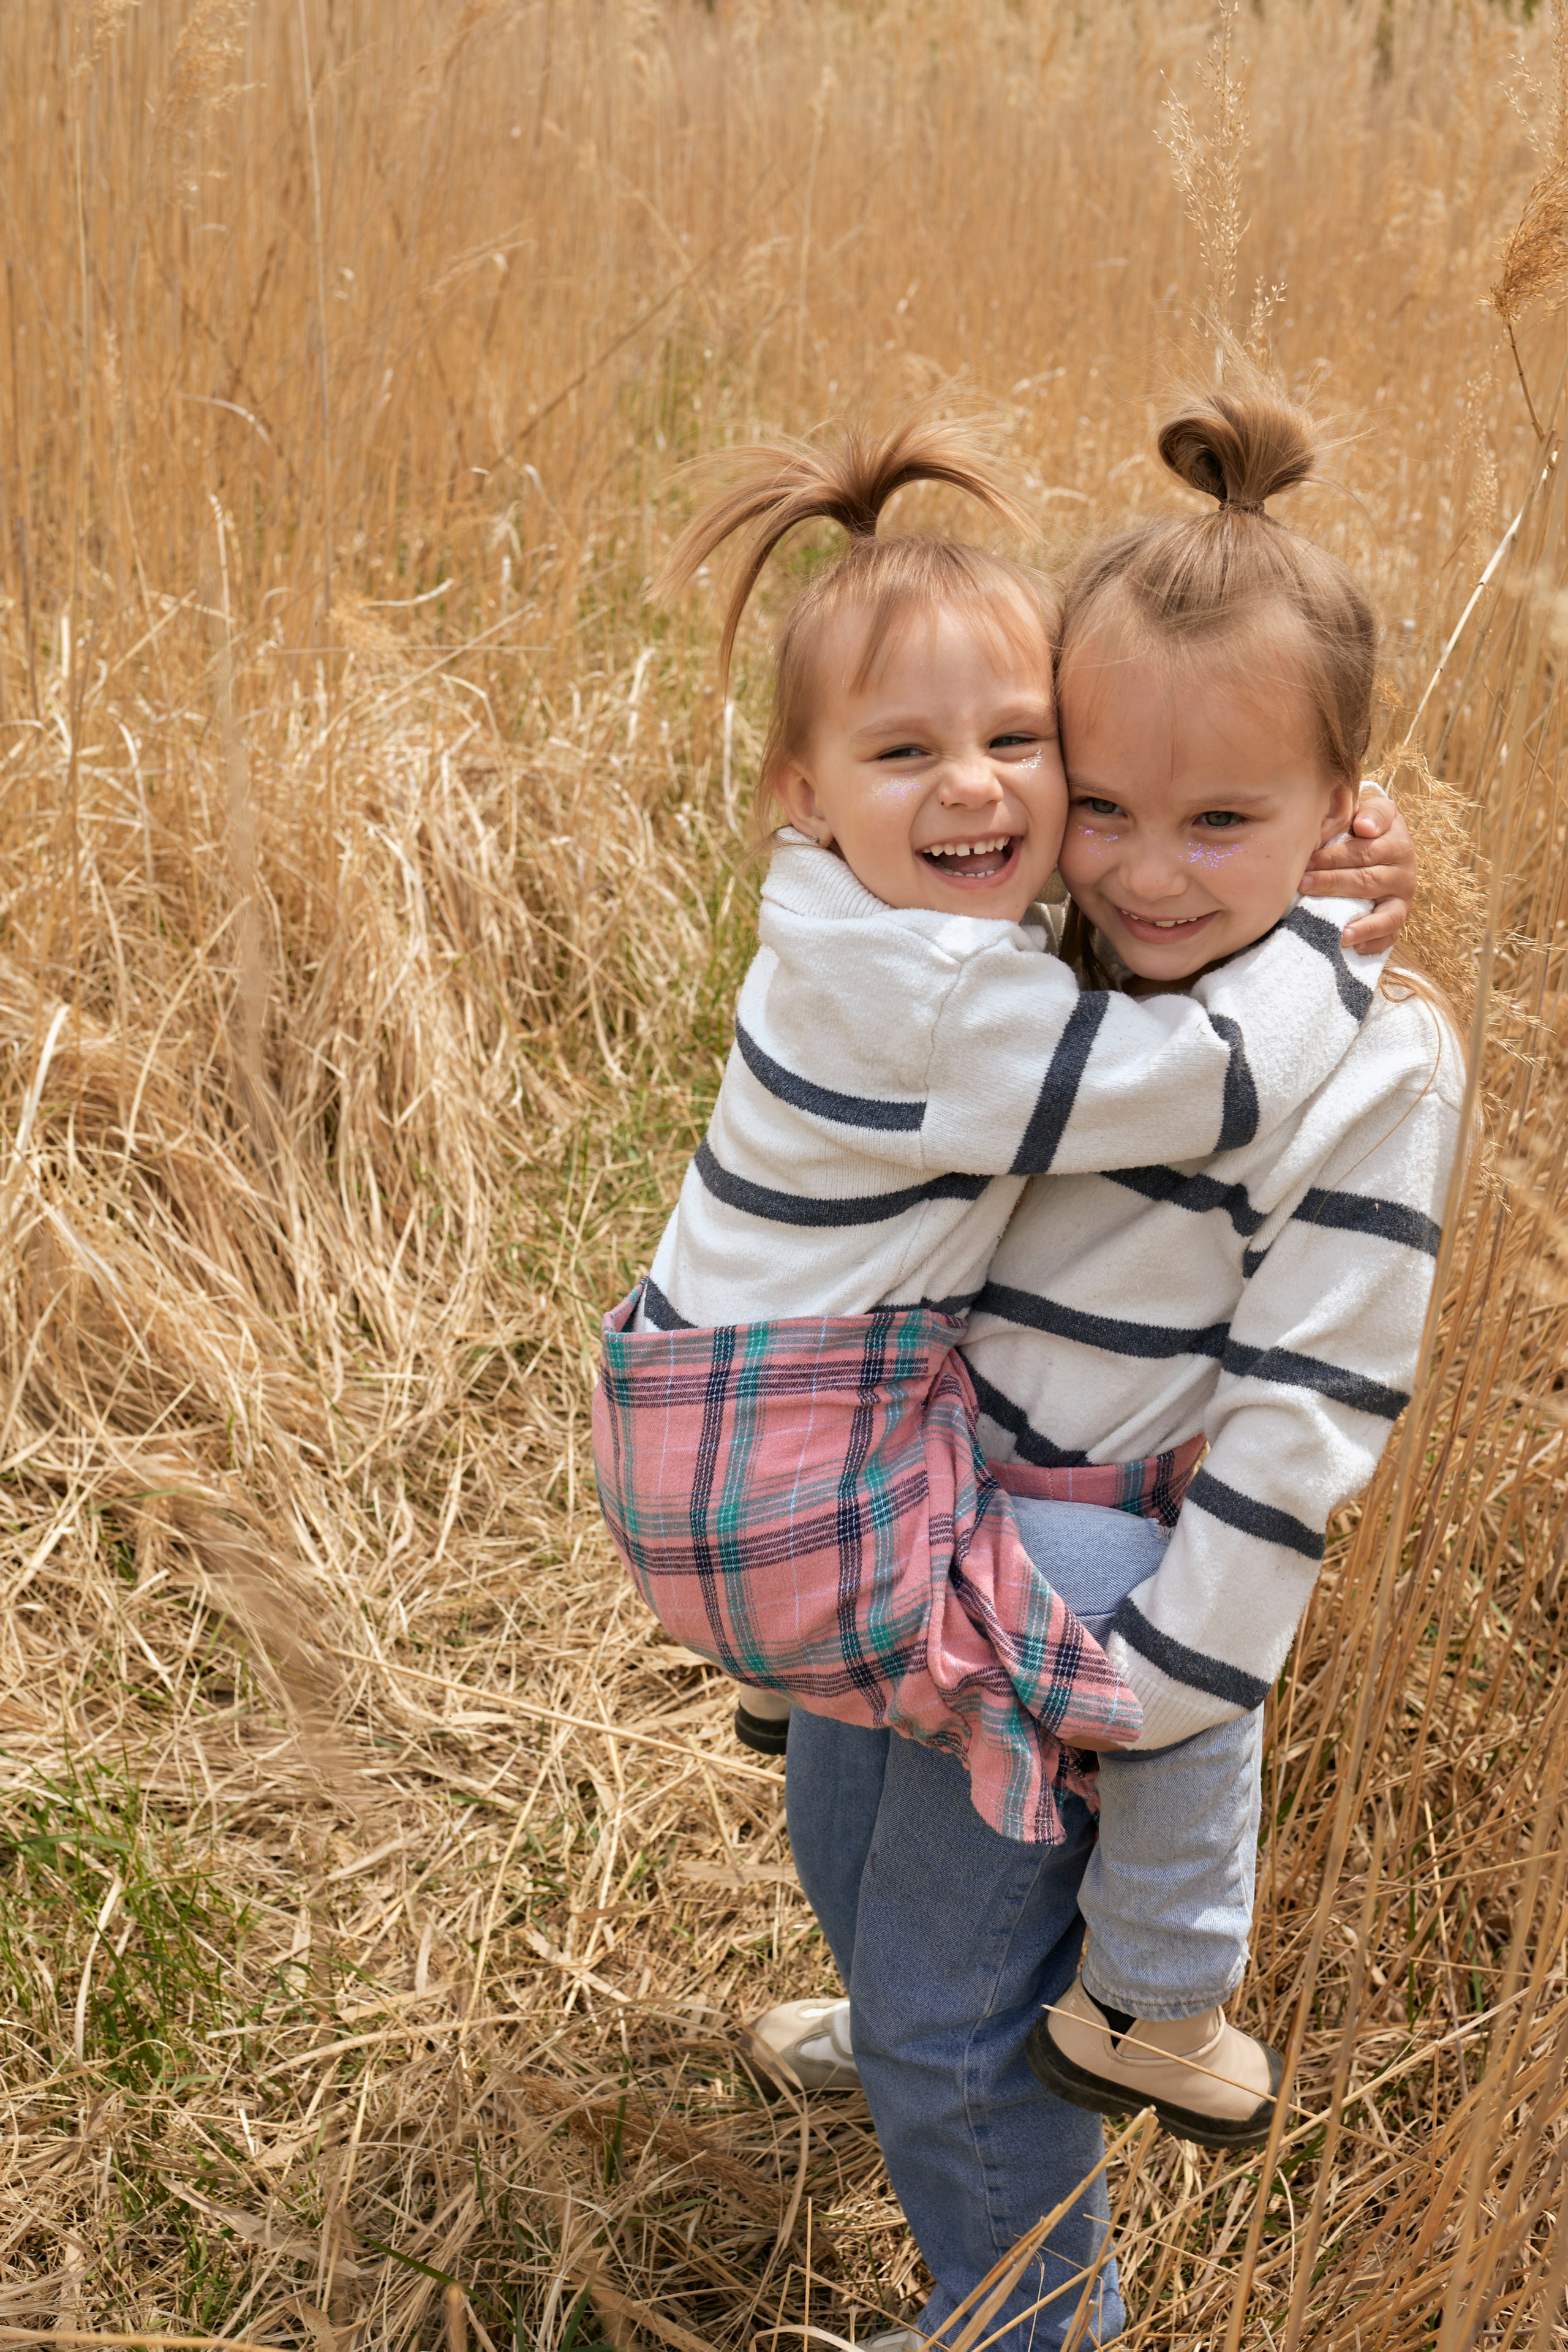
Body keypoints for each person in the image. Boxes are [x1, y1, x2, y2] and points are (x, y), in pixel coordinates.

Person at [592, 399, 1436, 2344]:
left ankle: (1031, 2316)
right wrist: (1281, 887)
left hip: (1066, 1586)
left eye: (1220, 819)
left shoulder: (1370, 1071)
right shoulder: (1037, 971)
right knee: (837, 1842)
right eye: (1109, 802)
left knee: (964, 2025)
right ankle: (896, 2001)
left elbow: (1305, 1430)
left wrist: (1180, 1680)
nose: (1142, 870)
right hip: (916, 1484)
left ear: (1335, 809)